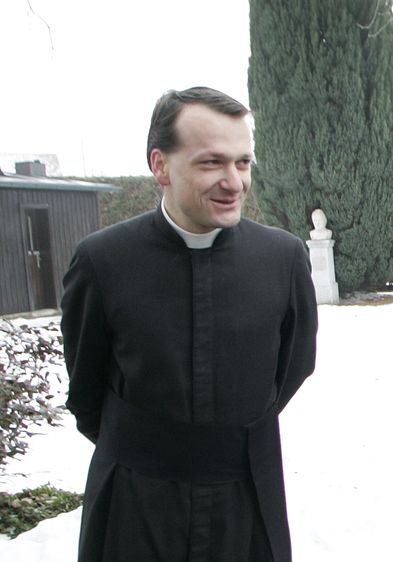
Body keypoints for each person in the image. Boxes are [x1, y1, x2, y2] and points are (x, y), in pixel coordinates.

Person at [61, 87, 318, 562]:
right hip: (135, 504)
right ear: (160, 165)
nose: (234, 181)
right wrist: (159, 447)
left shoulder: (282, 258)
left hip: (246, 498)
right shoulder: (103, 261)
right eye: (211, 163)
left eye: (243, 163)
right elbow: (86, 389)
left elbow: (293, 366)